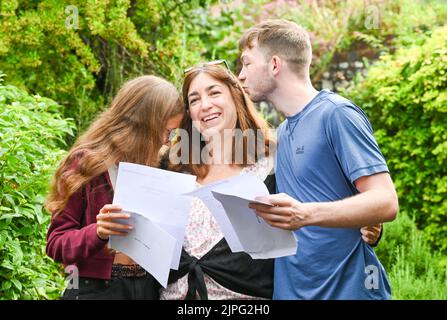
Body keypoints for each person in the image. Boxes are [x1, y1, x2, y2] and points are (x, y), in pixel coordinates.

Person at [160, 62, 382, 300]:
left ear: (236, 97)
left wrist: (367, 221)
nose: (205, 105)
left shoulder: (273, 160)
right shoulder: (172, 166)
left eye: (214, 93)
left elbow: (319, 200)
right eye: (194, 100)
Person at [238, 20, 398, 299]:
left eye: (247, 64)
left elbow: (385, 201)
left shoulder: (337, 114)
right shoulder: (284, 132)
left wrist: (306, 214)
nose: (240, 75)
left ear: (274, 64)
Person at [45, 75, 184, 300]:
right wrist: (98, 232)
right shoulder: (87, 163)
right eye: (166, 131)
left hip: (147, 289)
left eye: (172, 133)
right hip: (95, 289)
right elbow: (55, 243)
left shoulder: (158, 167)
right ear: (143, 124)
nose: (166, 141)